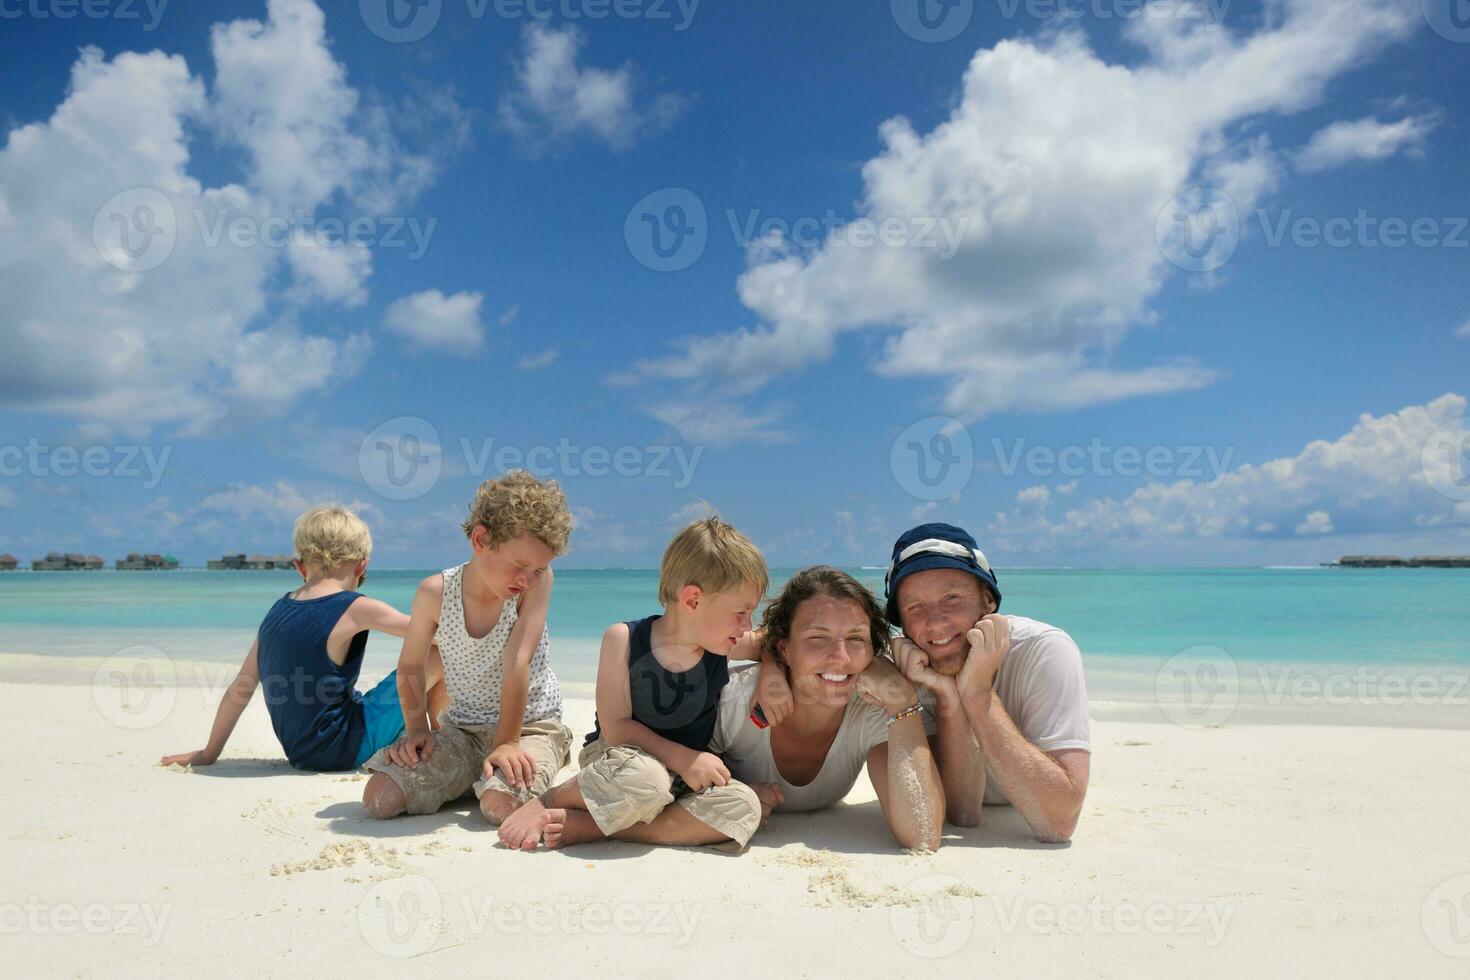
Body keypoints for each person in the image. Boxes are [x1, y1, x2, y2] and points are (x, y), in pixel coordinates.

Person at [497, 516, 775, 850]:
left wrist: (771, 676)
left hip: (682, 777)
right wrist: (683, 758)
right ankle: (549, 800)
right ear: (693, 600)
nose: (748, 626)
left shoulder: (723, 644)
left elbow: (775, 644)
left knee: (745, 807)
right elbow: (616, 728)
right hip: (621, 763)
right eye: (741, 613)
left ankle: (598, 827)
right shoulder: (624, 640)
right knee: (647, 779)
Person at [159, 505, 446, 771]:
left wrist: (209, 753)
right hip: (345, 747)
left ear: (299, 566)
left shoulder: (276, 613)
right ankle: (442, 739)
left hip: (300, 754)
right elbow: (432, 634)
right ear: (362, 566)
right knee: (440, 654)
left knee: (374, 692)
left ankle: (426, 733)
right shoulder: (355, 607)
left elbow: (240, 689)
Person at [360, 471, 573, 824]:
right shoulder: (435, 594)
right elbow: (412, 666)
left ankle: (506, 776)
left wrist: (507, 743)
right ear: (480, 540)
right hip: (465, 729)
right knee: (379, 797)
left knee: (498, 807)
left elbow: (517, 663)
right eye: (519, 566)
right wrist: (417, 731)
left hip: (529, 726)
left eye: (538, 569)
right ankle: (473, 775)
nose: (527, 579)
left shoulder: (536, 585)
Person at [714, 566, 945, 851]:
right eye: (817, 638)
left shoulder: (874, 710)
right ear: (784, 648)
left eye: (856, 638)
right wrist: (733, 795)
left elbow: (921, 834)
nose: (841, 657)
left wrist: (904, 700)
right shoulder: (737, 699)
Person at [885, 522, 1091, 842]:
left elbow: (1059, 822)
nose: (936, 622)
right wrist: (949, 696)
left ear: (988, 600)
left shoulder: (1043, 650)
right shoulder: (907, 668)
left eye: (952, 598)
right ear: (902, 622)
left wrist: (978, 693)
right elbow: (963, 812)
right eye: (916, 607)